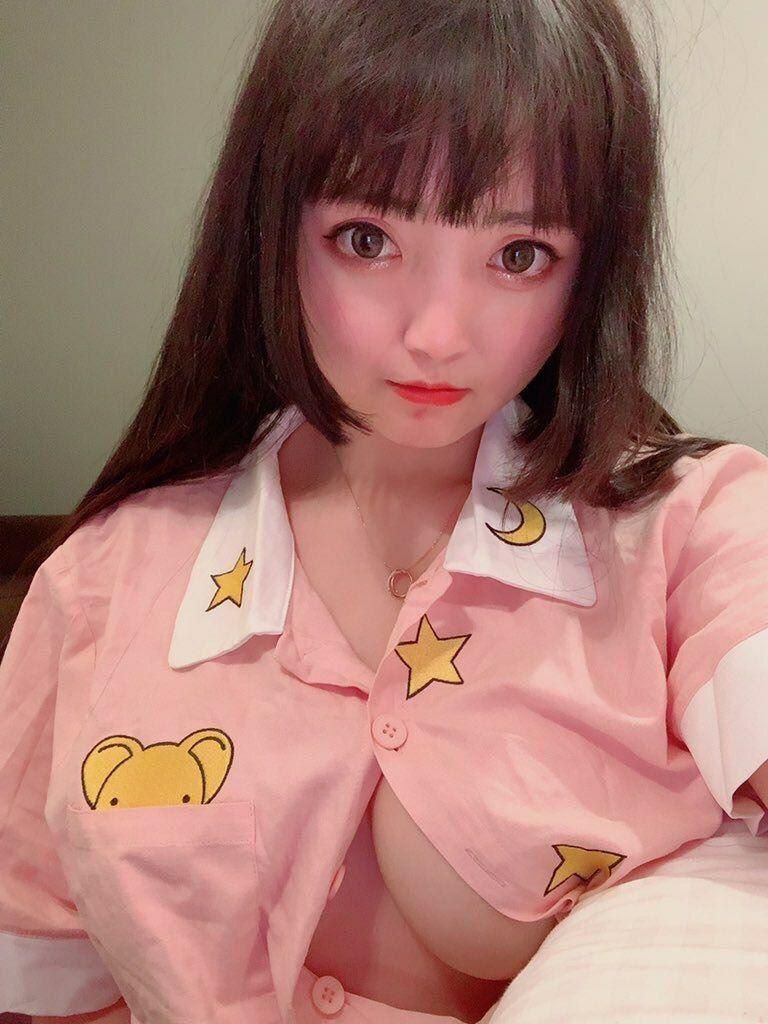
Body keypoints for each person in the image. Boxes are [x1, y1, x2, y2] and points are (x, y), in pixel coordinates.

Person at [2, 1, 767, 1022]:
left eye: (520, 254)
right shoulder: (103, 582)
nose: (438, 333)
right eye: (367, 239)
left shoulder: (689, 530)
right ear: (271, 229)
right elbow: (45, 987)